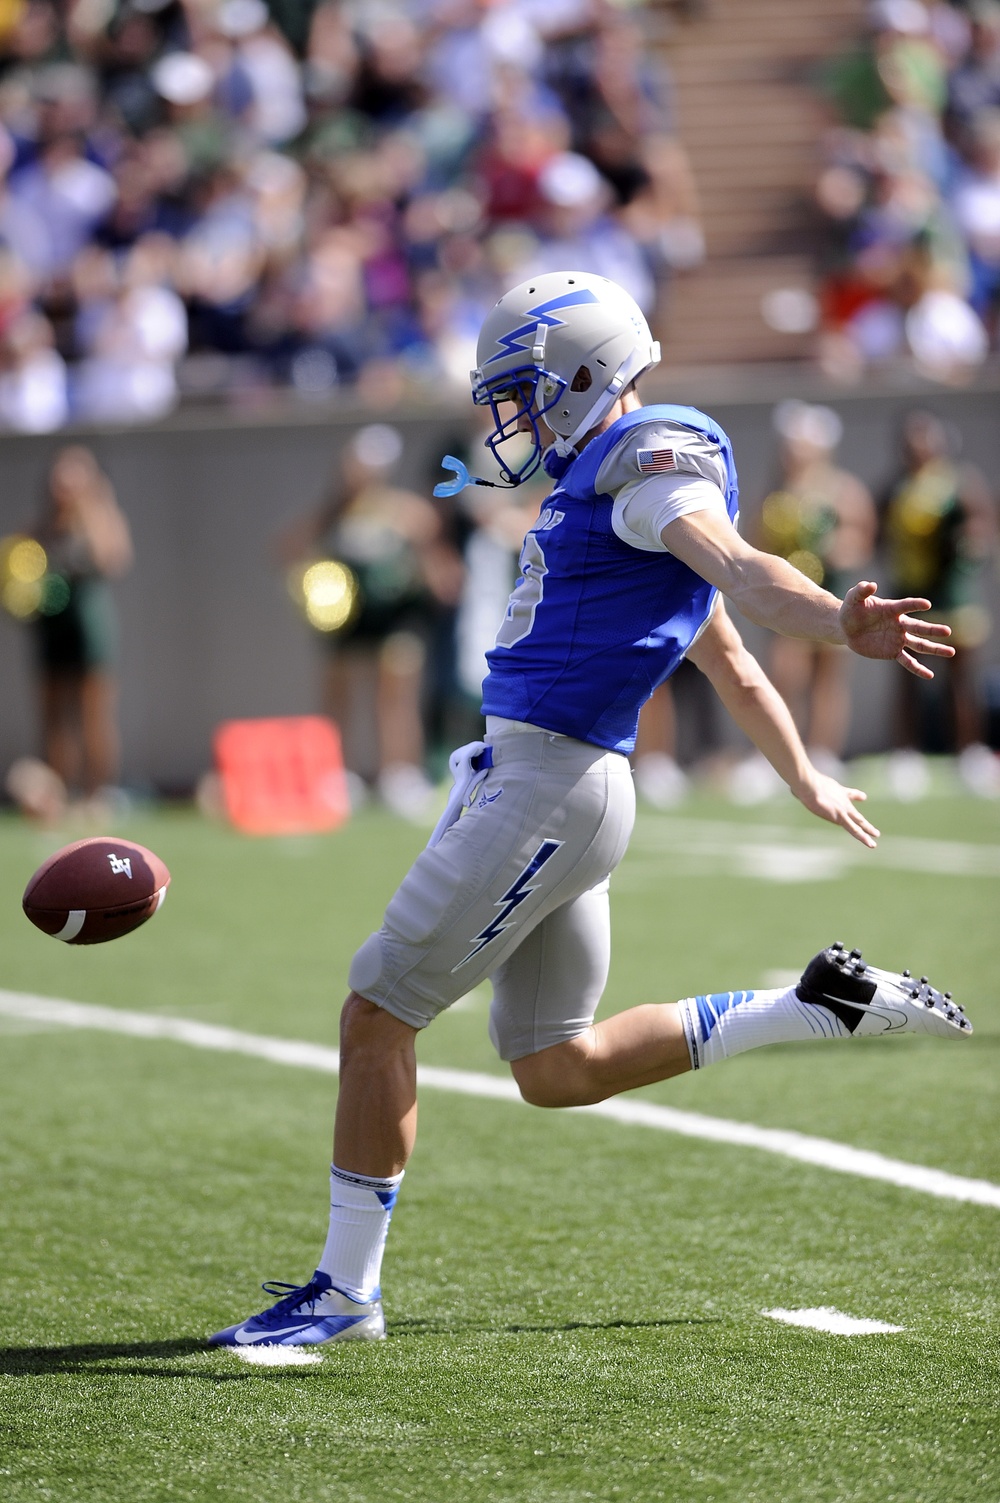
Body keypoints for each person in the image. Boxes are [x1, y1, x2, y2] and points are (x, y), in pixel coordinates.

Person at [210, 271, 969, 1349]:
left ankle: (341, 1293)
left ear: (582, 374)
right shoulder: (615, 495)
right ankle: (817, 1004)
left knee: (375, 1013)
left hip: (548, 785)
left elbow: (746, 577)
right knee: (554, 1068)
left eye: (522, 391)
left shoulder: (655, 472)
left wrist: (838, 625)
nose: (508, 416)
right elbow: (733, 664)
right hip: (557, 785)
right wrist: (803, 774)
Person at [752, 400, 877, 777]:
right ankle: (777, 755)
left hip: (833, 595)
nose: (792, 452)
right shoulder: (777, 493)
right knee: (784, 673)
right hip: (789, 598)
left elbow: (863, 536)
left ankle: (823, 753)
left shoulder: (840, 489)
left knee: (827, 676)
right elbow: (757, 542)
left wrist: (841, 549)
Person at [880, 408, 999, 798]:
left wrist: (970, 542)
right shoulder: (896, 487)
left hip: (954, 593)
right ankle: (906, 755)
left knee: (961, 681)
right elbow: (881, 534)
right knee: (908, 676)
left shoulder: (959, 482)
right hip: (911, 594)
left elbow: (980, 526)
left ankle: (970, 752)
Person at [30, 445, 132, 805]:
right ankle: (60, 793)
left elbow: (113, 558)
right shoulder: (42, 526)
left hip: (89, 625)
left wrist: (90, 507)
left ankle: (97, 793)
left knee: (94, 714)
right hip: (52, 626)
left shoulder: (98, 518)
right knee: (55, 714)